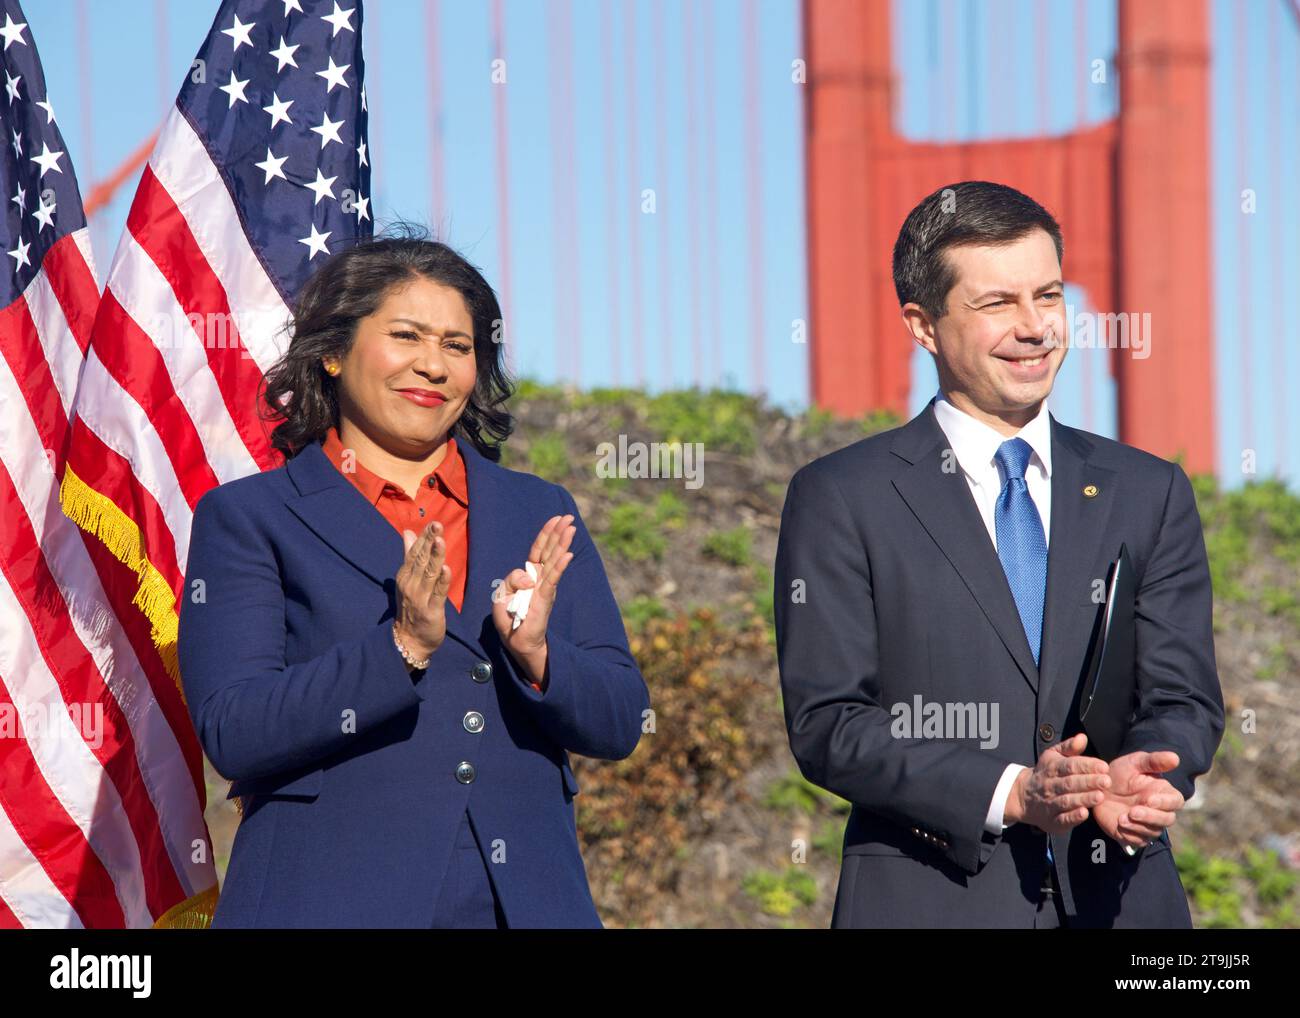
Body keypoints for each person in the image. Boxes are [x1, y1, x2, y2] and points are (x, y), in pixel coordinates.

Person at [774, 181, 1224, 928]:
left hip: (1123, 905)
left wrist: (1148, 768)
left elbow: (1184, 696)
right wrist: (1013, 791)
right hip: (928, 900)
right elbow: (829, 722)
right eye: (996, 304)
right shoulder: (840, 496)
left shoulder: (1150, 491)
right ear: (923, 325)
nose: (1035, 327)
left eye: (1048, 295)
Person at [178, 227, 649, 928]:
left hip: (525, 905)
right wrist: (399, 648)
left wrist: (539, 656)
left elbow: (620, 720)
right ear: (332, 353)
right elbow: (234, 730)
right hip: (323, 903)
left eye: (458, 347)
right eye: (406, 336)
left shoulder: (539, 510)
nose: (434, 365)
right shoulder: (249, 517)